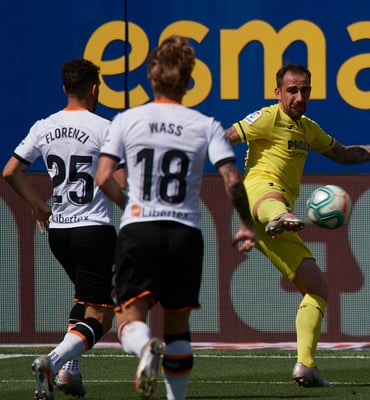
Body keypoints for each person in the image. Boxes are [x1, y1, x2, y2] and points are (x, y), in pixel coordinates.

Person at [225, 63, 370, 387]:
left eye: (305, 90)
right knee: (271, 196)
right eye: (292, 90)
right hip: (258, 196)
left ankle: (305, 366)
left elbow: (344, 154)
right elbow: (225, 137)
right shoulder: (267, 117)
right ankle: (278, 216)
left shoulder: (308, 129)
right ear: (277, 92)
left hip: (273, 224)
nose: (299, 96)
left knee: (317, 288)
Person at [95, 35, 257, 400]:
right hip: (185, 233)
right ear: (188, 80)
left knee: (128, 319)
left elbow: (103, 176)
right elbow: (233, 179)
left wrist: (130, 204)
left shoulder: (127, 120)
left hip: (140, 228)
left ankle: (144, 348)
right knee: (178, 326)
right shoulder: (205, 124)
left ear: (151, 77)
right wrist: (247, 224)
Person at [2, 58, 124, 400]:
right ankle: (53, 362)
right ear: (95, 89)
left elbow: (10, 171)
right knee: (104, 314)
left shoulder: (45, 126)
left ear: (64, 88)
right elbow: (120, 182)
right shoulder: (105, 128)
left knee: (85, 299)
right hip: (94, 230)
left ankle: (71, 372)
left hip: (59, 231)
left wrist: (36, 204)